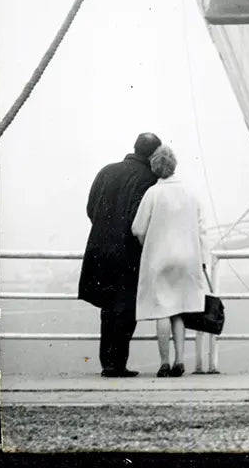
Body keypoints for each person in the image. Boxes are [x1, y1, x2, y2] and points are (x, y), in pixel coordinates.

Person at [78, 131, 161, 377]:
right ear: (153, 153)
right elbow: (143, 217)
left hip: (100, 249)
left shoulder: (106, 171)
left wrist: (105, 228)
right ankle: (117, 364)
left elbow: (91, 208)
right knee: (125, 308)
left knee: (107, 307)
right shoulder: (149, 178)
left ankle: (108, 363)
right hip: (128, 252)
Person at [131, 144, 208, 378]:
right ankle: (179, 362)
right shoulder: (190, 192)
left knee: (163, 309)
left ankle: (164, 363)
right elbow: (202, 229)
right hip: (187, 258)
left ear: (155, 168)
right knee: (180, 310)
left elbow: (138, 228)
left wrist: (149, 242)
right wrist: (203, 259)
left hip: (159, 258)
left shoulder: (152, 193)